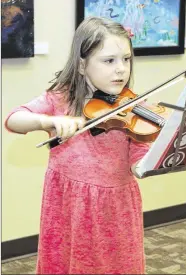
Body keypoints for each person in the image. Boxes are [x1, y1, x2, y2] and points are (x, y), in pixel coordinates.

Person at [4, 16, 150, 274]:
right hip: (69, 205)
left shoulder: (132, 108)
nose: (121, 69)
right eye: (109, 61)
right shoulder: (61, 98)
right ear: (82, 65)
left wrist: (150, 163)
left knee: (118, 265)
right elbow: (14, 119)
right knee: (65, 263)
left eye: (126, 59)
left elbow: (139, 158)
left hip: (115, 209)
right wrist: (46, 121)